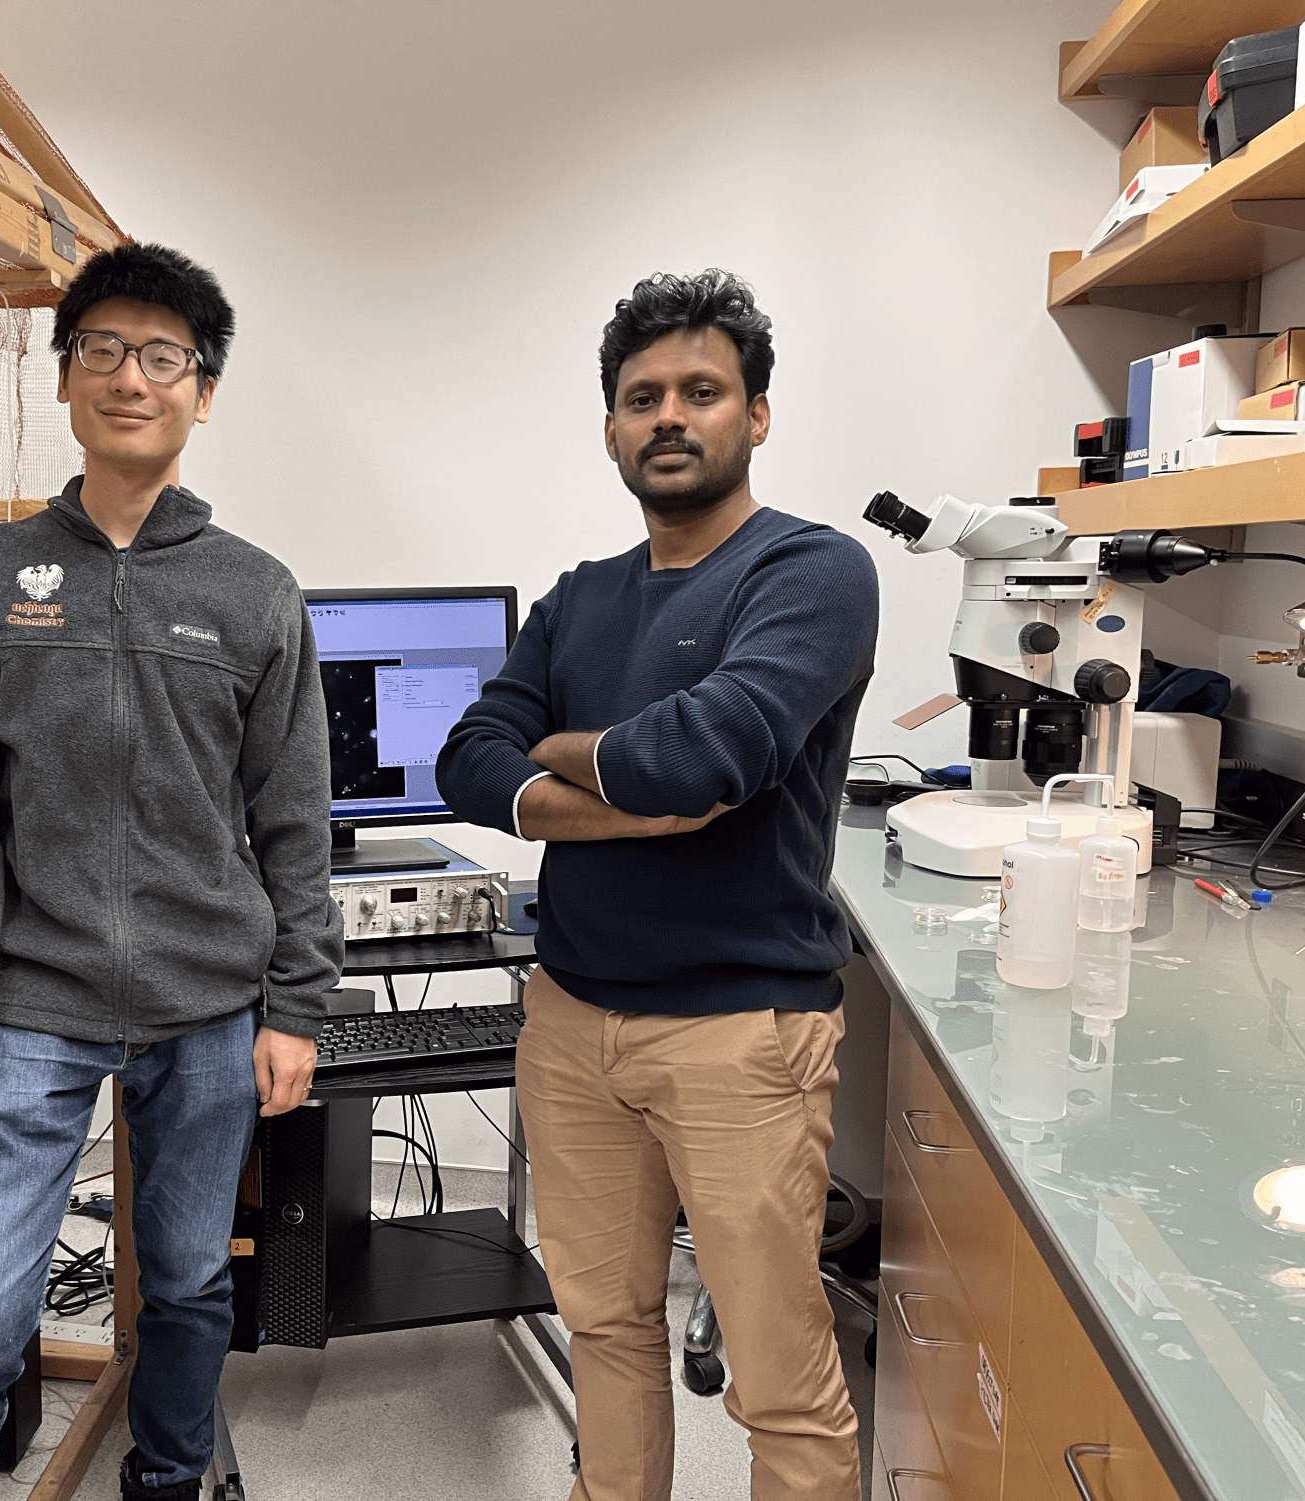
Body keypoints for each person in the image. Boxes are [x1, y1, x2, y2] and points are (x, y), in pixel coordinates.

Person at [0, 243, 342, 1501]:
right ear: (66, 377)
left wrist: (296, 1004)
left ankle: (171, 1477)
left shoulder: (255, 593)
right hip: (28, 1003)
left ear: (203, 391)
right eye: (102, 350)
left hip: (208, 1006)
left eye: (163, 356)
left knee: (189, 1277)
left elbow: (295, 817)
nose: (130, 377)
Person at [437, 269, 878, 1501]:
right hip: (571, 1022)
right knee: (608, 1331)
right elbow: (467, 758)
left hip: (742, 1032)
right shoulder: (580, 596)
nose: (669, 417)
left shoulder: (814, 573)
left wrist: (571, 753)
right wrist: (646, 792)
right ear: (613, 429)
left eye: (701, 391)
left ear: (758, 414)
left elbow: (712, 757)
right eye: (643, 399)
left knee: (780, 1381)